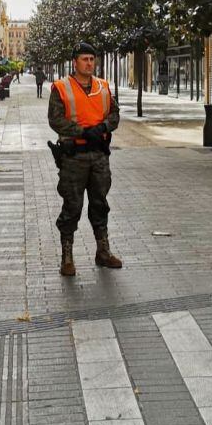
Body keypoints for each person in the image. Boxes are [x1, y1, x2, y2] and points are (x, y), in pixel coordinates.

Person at [48, 43, 122, 276]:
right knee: (73, 206)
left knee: (100, 203)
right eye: (84, 59)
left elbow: (115, 114)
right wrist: (81, 131)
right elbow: (55, 119)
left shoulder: (103, 86)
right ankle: (67, 256)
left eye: (92, 59)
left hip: (99, 155)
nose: (89, 63)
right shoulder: (61, 87)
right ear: (75, 62)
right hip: (74, 157)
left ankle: (103, 250)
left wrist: (102, 126)